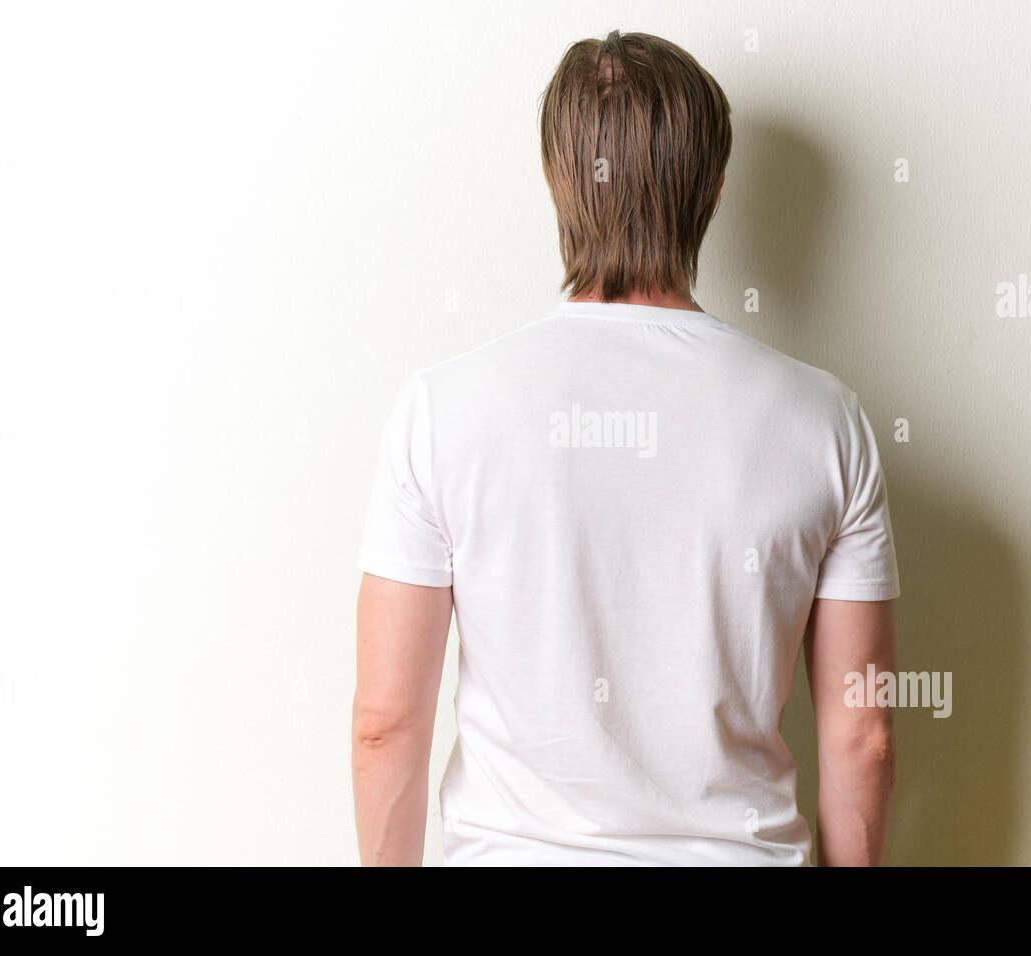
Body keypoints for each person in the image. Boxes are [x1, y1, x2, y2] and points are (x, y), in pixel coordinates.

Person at [352, 30, 900, 866]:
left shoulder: (442, 409)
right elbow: (864, 735)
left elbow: (386, 723)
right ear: (713, 188)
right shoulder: (825, 422)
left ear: (554, 181)